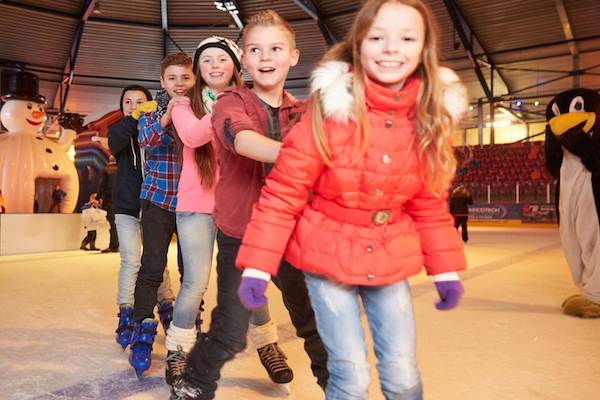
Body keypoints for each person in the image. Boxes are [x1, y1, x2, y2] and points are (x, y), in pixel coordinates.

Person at [235, 1, 468, 399]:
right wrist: (258, 265)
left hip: (389, 257)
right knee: (350, 374)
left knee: (401, 372)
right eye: (377, 37)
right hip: (327, 261)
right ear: (359, 46)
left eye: (406, 38)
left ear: (424, 49)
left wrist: (445, 268)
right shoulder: (326, 113)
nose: (391, 48)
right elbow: (283, 193)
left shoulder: (428, 120)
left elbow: (427, 204)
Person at [172, 11, 328, 400]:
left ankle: (338, 387)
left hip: (292, 236)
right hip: (243, 238)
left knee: (315, 322)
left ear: (293, 56)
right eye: (255, 49)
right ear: (244, 59)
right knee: (229, 331)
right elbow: (242, 140)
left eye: (275, 48)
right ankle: (194, 383)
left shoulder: (304, 111)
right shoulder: (229, 101)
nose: (265, 57)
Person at [167, 35, 294, 391]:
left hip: (239, 205)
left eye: (221, 60)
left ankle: (268, 343)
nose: (214, 66)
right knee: (195, 283)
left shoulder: (251, 103)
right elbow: (192, 137)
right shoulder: (183, 105)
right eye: (205, 61)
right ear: (197, 70)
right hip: (197, 207)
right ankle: (178, 351)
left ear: (235, 67)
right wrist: (225, 109)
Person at [128, 52, 193, 378]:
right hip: (157, 200)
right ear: (162, 82)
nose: (179, 84)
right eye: (172, 78)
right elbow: (147, 140)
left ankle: (188, 326)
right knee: (152, 265)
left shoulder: (201, 109)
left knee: (190, 270)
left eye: (185, 77)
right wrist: (169, 115)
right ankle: (142, 325)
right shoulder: (151, 111)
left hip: (192, 204)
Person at [108, 85, 175, 350]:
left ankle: (167, 307)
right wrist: (133, 118)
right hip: (126, 208)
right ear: (121, 106)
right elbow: (115, 143)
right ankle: (126, 314)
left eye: (140, 102)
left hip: (154, 207)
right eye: (128, 102)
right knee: (131, 260)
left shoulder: (157, 130)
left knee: (156, 262)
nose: (133, 105)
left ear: (150, 104)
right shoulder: (119, 130)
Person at [97, 156, 119, 252]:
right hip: (121, 199)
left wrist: (97, 198)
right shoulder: (121, 170)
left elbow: (102, 185)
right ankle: (116, 245)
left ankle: (113, 245)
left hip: (109, 199)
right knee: (120, 224)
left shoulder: (106, 170)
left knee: (112, 224)